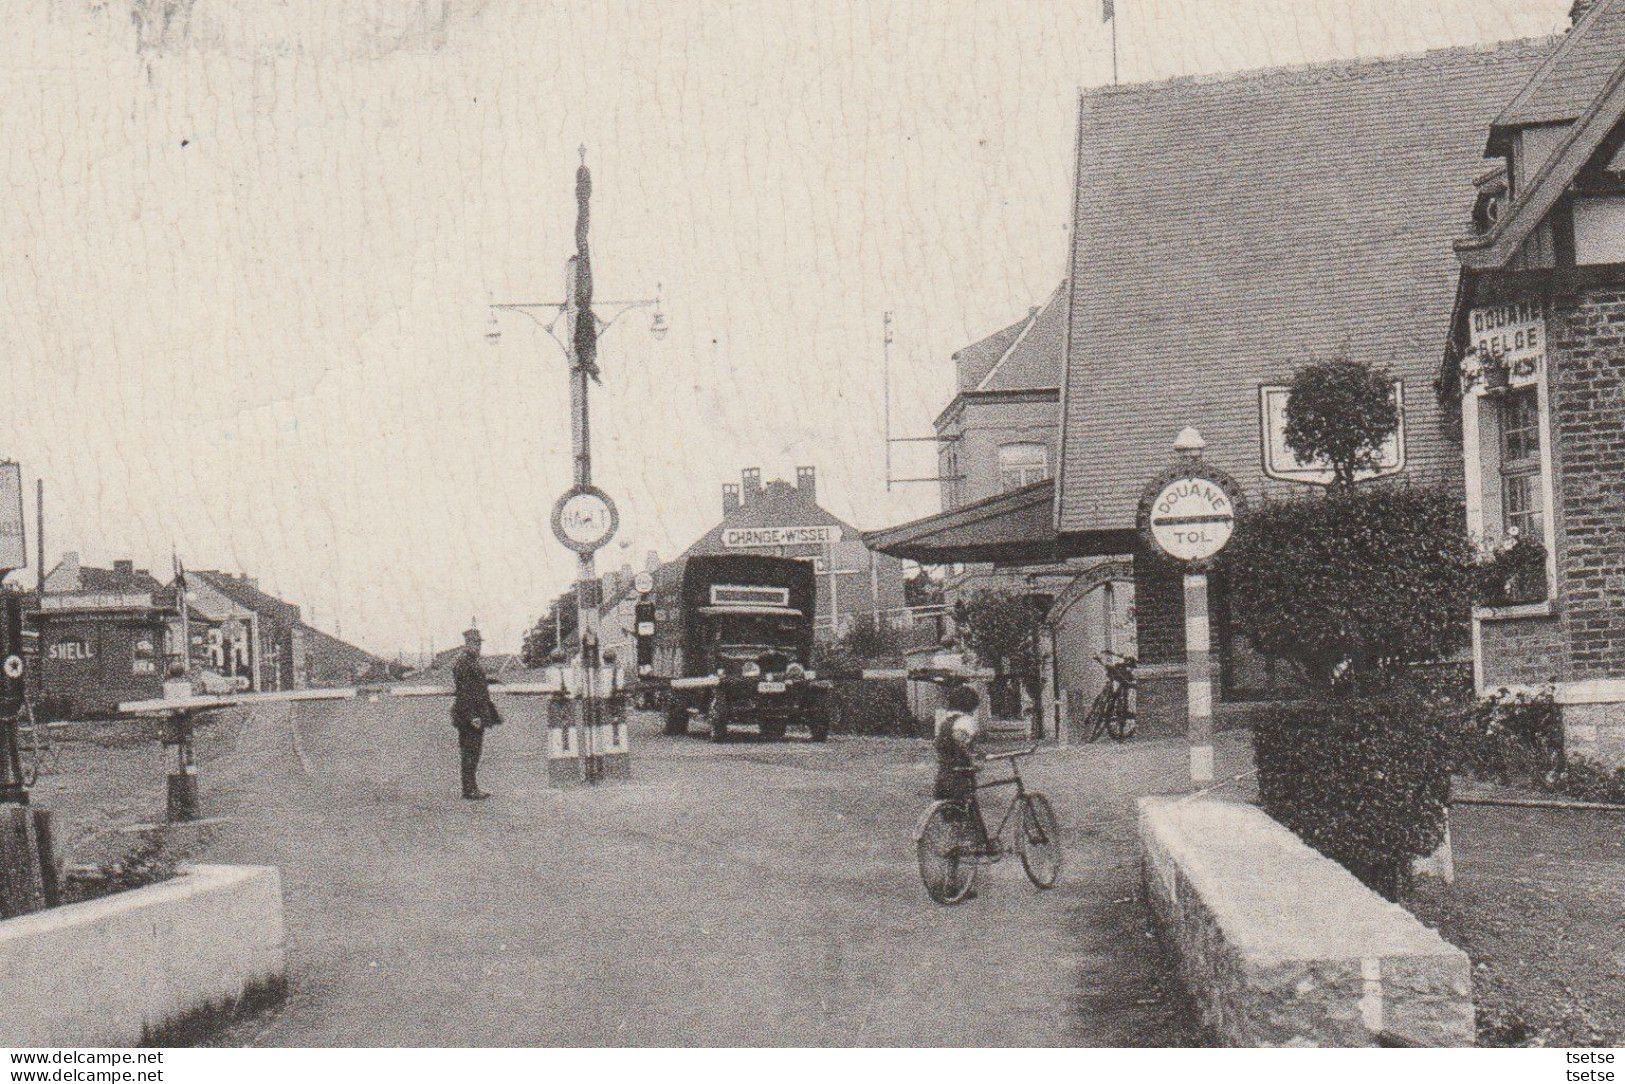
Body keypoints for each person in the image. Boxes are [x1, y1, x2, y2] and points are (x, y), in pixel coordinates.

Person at [451, 627, 502, 800]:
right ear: (467, 643)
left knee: (474, 752)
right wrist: (472, 716)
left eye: (479, 643)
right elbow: (464, 691)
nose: (478, 647)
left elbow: (475, 683)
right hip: (469, 716)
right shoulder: (463, 662)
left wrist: (489, 680)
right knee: (470, 753)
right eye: (475, 643)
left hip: (475, 713)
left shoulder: (470, 661)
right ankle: (469, 789)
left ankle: (471, 787)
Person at [934, 683, 987, 849]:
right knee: (968, 816)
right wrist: (974, 757)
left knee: (953, 821)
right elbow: (961, 739)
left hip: (943, 778)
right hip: (960, 779)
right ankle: (974, 845)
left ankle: (952, 854)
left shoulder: (945, 723)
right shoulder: (966, 721)